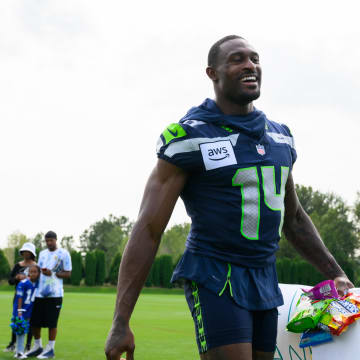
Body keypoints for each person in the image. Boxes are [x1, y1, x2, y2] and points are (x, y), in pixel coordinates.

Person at [104, 35, 354, 360]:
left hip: (265, 278)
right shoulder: (192, 135)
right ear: (213, 73)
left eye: (255, 58)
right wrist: (121, 320)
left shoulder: (280, 136)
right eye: (237, 59)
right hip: (215, 274)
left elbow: (292, 218)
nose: (250, 65)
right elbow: (149, 227)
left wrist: (334, 271)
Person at [26, 231, 72, 359]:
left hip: (55, 294)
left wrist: (53, 273)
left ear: (56, 240)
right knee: (35, 322)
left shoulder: (64, 254)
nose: (49, 243)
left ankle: (50, 349)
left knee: (52, 323)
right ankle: (38, 347)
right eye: (46, 241)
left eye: (51, 240)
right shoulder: (42, 254)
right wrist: (34, 276)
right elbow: (39, 271)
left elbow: (68, 273)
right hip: (40, 293)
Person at [4, 242, 37, 353]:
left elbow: (38, 280)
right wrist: (17, 277)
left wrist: (28, 277)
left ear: (32, 253)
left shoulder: (36, 266)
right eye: (24, 252)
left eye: (28, 252)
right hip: (18, 297)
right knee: (17, 319)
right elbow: (10, 281)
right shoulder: (18, 266)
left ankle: (28, 345)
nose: (26, 253)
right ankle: (13, 344)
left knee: (30, 321)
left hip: (31, 299)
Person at [11, 264, 40, 359]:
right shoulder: (23, 283)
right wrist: (19, 310)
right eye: (31, 272)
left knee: (24, 330)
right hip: (21, 311)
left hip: (28, 311)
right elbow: (19, 297)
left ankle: (19, 351)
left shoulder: (37, 283)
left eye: (35, 272)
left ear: (38, 273)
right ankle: (19, 352)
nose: (33, 274)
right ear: (28, 273)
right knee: (20, 331)